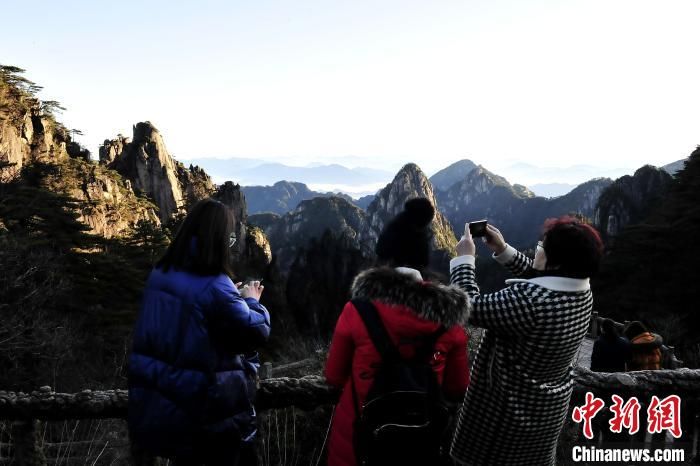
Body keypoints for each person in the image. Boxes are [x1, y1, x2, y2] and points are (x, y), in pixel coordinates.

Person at [324, 198, 471, 466]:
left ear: (384, 259)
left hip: (358, 446)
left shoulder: (358, 311)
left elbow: (333, 377)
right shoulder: (449, 320)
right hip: (420, 446)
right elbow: (457, 388)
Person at [449, 216, 604, 466]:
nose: (537, 249)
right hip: (544, 415)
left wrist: (464, 259)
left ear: (556, 261)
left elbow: (467, 306)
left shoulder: (531, 301)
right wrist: (503, 249)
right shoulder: (581, 291)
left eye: (542, 247)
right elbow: (541, 276)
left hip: (503, 421)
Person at [128, 198, 270, 466]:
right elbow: (255, 332)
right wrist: (250, 301)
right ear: (217, 241)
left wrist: (230, 297)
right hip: (206, 418)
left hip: (164, 409)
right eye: (229, 240)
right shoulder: (216, 285)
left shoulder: (161, 271)